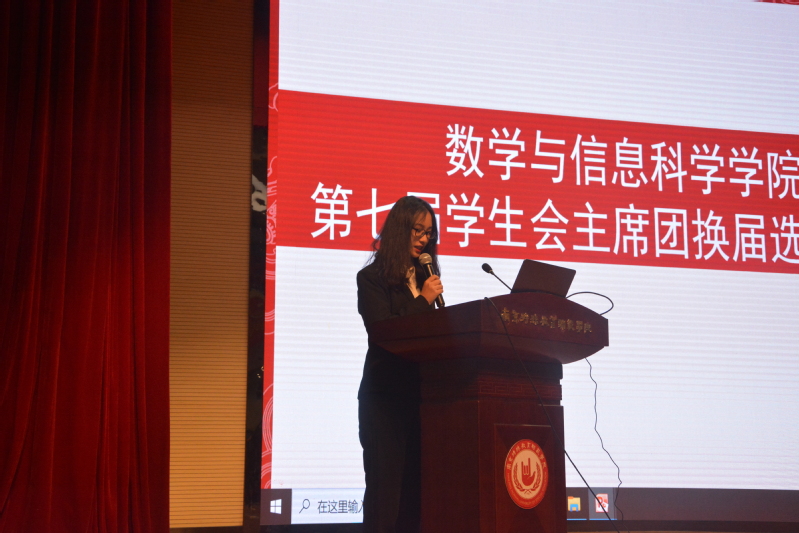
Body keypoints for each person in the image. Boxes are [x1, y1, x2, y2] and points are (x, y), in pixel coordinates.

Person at [356, 196, 444, 533]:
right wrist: (423, 299)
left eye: (429, 233)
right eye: (417, 230)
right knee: (386, 496)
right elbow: (383, 332)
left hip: (422, 400)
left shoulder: (425, 275)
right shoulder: (372, 278)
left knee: (416, 496)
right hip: (385, 401)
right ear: (399, 229)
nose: (424, 239)